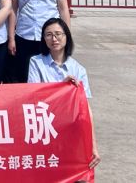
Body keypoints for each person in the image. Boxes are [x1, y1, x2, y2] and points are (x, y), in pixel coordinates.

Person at [28, 18, 100, 169]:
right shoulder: (36, 62)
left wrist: (93, 145)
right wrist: (62, 88)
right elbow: (33, 96)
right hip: (45, 128)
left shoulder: (78, 69)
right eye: (48, 35)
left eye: (58, 34)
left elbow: (85, 110)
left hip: (71, 129)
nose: (54, 39)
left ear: (67, 36)